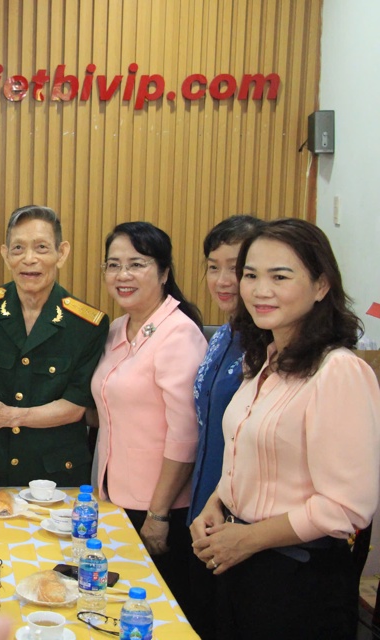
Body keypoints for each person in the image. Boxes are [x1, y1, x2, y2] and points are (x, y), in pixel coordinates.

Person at [191, 219, 380, 639]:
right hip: (240, 558)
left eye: (280, 276)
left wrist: (249, 538)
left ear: (321, 285)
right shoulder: (265, 360)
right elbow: (248, 449)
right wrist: (216, 503)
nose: (260, 290)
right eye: (251, 275)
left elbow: (347, 506)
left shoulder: (338, 371)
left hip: (296, 573)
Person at [90, 221, 205, 617]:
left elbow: (185, 436)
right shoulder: (118, 328)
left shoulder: (178, 335)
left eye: (136, 264)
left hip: (158, 508)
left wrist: (158, 514)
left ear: (164, 272)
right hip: (114, 496)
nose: (122, 275)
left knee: (152, 615)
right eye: (113, 264)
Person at [0, 205, 109, 487]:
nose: (29, 259)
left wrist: (8, 416)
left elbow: (75, 407)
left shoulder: (87, 325)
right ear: (5, 254)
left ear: (62, 253)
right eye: (18, 248)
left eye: (42, 248)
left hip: (57, 479)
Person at [185, 215, 262, 638]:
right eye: (213, 266)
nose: (223, 279)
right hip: (204, 512)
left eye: (237, 268)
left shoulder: (272, 344)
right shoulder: (221, 333)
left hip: (246, 529)